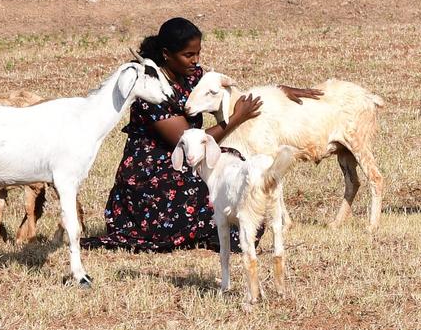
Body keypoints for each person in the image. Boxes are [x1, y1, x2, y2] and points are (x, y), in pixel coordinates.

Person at [83, 17, 320, 252]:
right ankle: (206, 231)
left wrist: (277, 92)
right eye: (188, 55)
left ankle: (220, 231)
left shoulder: (192, 75)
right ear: (166, 54)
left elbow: (228, 92)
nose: (196, 60)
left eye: (198, 53)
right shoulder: (151, 91)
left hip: (190, 163)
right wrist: (236, 118)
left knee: (237, 170)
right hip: (156, 175)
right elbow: (189, 142)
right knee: (218, 189)